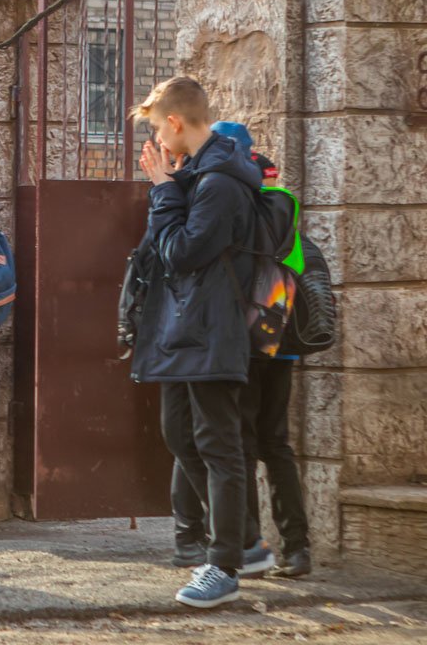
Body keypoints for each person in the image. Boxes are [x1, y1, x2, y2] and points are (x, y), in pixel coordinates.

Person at [130, 77, 258, 609]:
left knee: (218, 444)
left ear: (176, 123)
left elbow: (182, 252)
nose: (158, 138)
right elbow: (165, 253)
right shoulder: (200, 176)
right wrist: (172, 187)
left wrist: (163, 190)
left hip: (214, 328)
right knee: (180, 434)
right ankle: (237, 542)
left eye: (159, 127)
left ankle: (226, 561)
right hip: (186, 329)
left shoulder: (222, 182)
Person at [204, 120, 311, 578]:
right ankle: (297, 547)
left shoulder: (238, 199)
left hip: (247, 341)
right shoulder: (283, 199)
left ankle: (251, 546)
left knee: (241, 444)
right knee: (276, 443)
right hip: (281, 340)